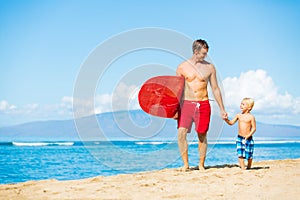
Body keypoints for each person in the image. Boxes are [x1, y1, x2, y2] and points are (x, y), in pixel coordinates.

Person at [175, 39, 227, 171]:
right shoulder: (182, 67)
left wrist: (222, 109)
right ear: (195, 51)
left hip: (203, 103)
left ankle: (201, 165)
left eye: (206, 53)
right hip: (186, 104)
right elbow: (178, 90)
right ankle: (186, 165)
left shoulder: (209, 67)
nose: (205, 56)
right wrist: (175, 110)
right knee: (181, 134)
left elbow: (215, 88)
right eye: (203, 53)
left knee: (202, 134)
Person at [225, 97, 256, 170]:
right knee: (240, 154)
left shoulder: (251, 117)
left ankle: (248, 167)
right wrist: (226, 119)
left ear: (249, 107)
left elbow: (254, 128)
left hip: (248, 138)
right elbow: (231, 123)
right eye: (241, 104)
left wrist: (248, 135)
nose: (241, 105)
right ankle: (242, 168)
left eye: (243, 104)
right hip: (240, 138)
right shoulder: (238, 115)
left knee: (249, 155)